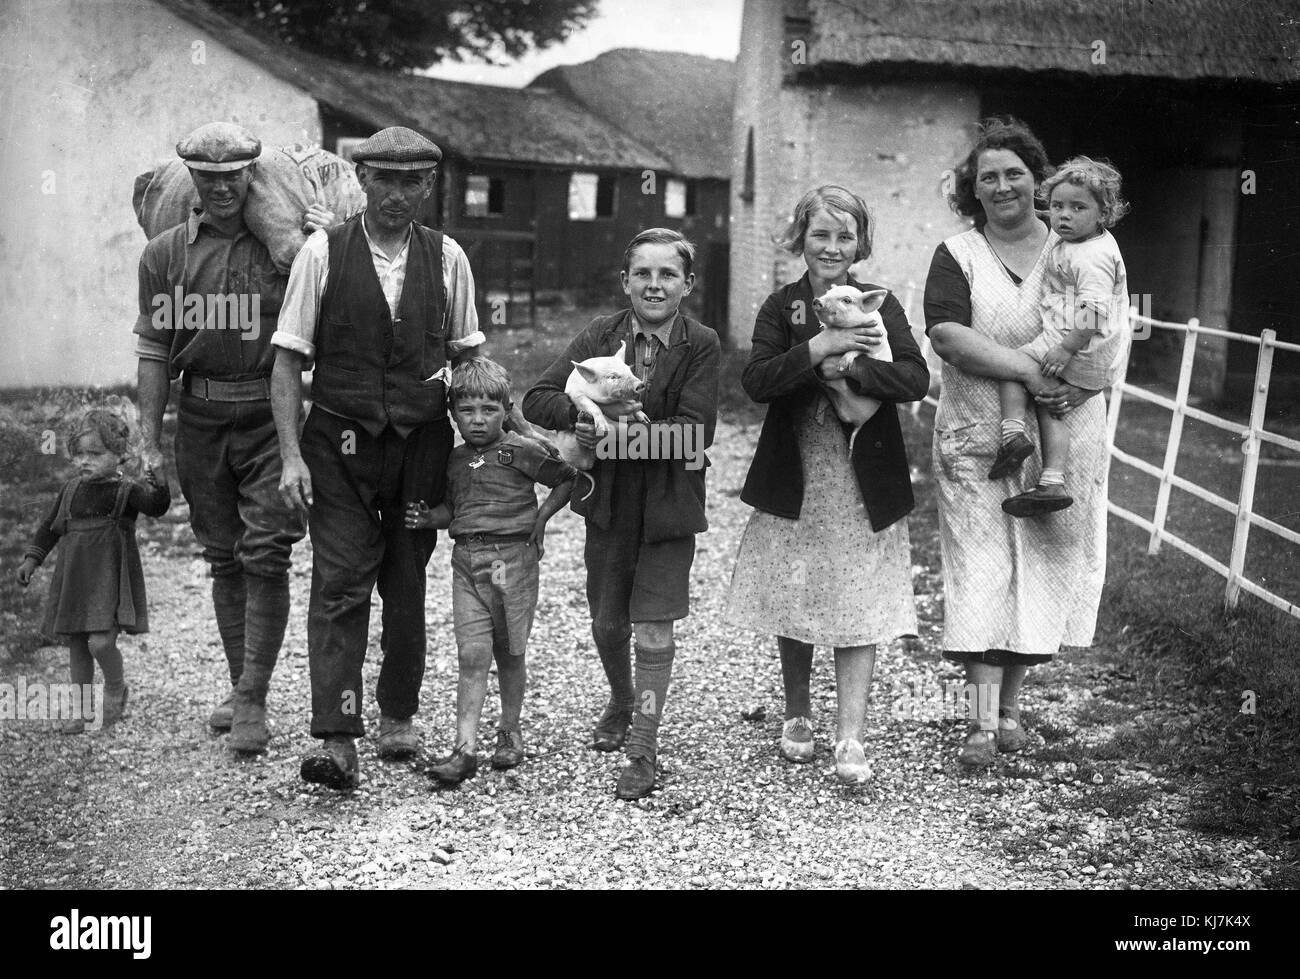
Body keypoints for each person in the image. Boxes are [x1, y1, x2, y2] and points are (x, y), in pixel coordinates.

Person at [272, 126, 546, 790]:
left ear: (430, 186)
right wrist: (289, 458)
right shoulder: (321, 252)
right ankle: (337, 739)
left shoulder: (448, 257)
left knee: (405, 579)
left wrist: (515, 441)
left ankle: (397, 712)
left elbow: (470, 362)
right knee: (339, 583)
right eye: (384, 180)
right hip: (337, 446)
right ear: (361, 180)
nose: (398, 194)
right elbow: (286, 361)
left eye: (412, 182)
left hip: (420, 448)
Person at [924, 118, 1114, 767]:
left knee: (1040, 571)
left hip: (1066, 439)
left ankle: (1009, 711)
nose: (1002, 186)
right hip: (977, 438)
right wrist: (1030, 369)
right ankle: (977, 724)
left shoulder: (1079, 246)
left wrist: (1068, 381)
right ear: (971, 190)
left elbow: (1110, 334)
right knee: (982, 575)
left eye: (1014, 173)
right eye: (988, 177)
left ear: (1037, 180)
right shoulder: (958, 253)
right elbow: (948, 335)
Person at [135, 122, 330, 754]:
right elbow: (154, 353)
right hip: (200, 417)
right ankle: (239, 679)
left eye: (233, 176)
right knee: (223, 557)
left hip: (271, 419)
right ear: (190, 178)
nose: (221, 188)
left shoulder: (289, 249)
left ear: (252, 176)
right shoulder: (165, 254)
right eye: (207, 177)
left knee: (267, 553)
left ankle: (252, 697)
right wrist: (147, 443)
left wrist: (327, 240)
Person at [726, 186, 927, 783]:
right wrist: (821, 346)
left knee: (858, 595)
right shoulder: (782, 306)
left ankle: (851, 735)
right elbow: (758, 381)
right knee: (797, 588)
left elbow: (913, 377)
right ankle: (796, 714)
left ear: (860, 243)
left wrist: (856, 366)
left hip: (863, 468)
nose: (832, 247)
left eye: (845, 237)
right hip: (799, 463)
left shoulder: (878, 303)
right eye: (820, 235)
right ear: (800, 240)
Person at [523, 228, 720, 800]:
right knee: (609, 621)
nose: (654, 284)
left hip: (667, 505)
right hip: (608, 503)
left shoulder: (701, 344)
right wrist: (578, 416)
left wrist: (615, 441)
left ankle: (644, 742)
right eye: (643, 273)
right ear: (625, 281)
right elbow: (538, 397)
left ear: (688, 284)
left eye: (667, 275)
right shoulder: (601, 334)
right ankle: (621, 696)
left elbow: (693, 436)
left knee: (654, 624)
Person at [407, 359, 579, 784]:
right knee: (471, 653)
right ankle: (464, 749)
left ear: (506, 409)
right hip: (466, 561)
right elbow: (456, 509)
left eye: (489, 410)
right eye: (467, 411)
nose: (478, 420)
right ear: (453, 414)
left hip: (511, 562)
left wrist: (541, 518)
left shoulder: (519, 448)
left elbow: (568, 477)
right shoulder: (454, 459)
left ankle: (510, 731)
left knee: (509, 650)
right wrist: (429, 518)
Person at [16, 407, 171, 733]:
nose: (85, 461)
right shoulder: (71, 490)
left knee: (100, 643)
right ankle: (81, 711)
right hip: (75, 580)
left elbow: (157, 507)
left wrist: (160, 480)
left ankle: (115, 687)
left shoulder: (127, 491)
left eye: (95, 454)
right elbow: (49, 528)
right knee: (77, 646)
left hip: (109, 581)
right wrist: (32, 559)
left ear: (119, 455)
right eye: (79, 454)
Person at [993, 156, 1131, 516]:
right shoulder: (1084, 235)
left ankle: (1012, 436)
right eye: (1057, 207)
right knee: (1051, 402)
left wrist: (1066, 348)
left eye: (1077, 208)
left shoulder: (1092, 256)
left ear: (1103, 214)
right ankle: (1052, 483)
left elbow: (1094, 311)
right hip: (1094, 350)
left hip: (1082, 342)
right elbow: (1057, 218)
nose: (1063, 216)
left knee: (1014, 364)